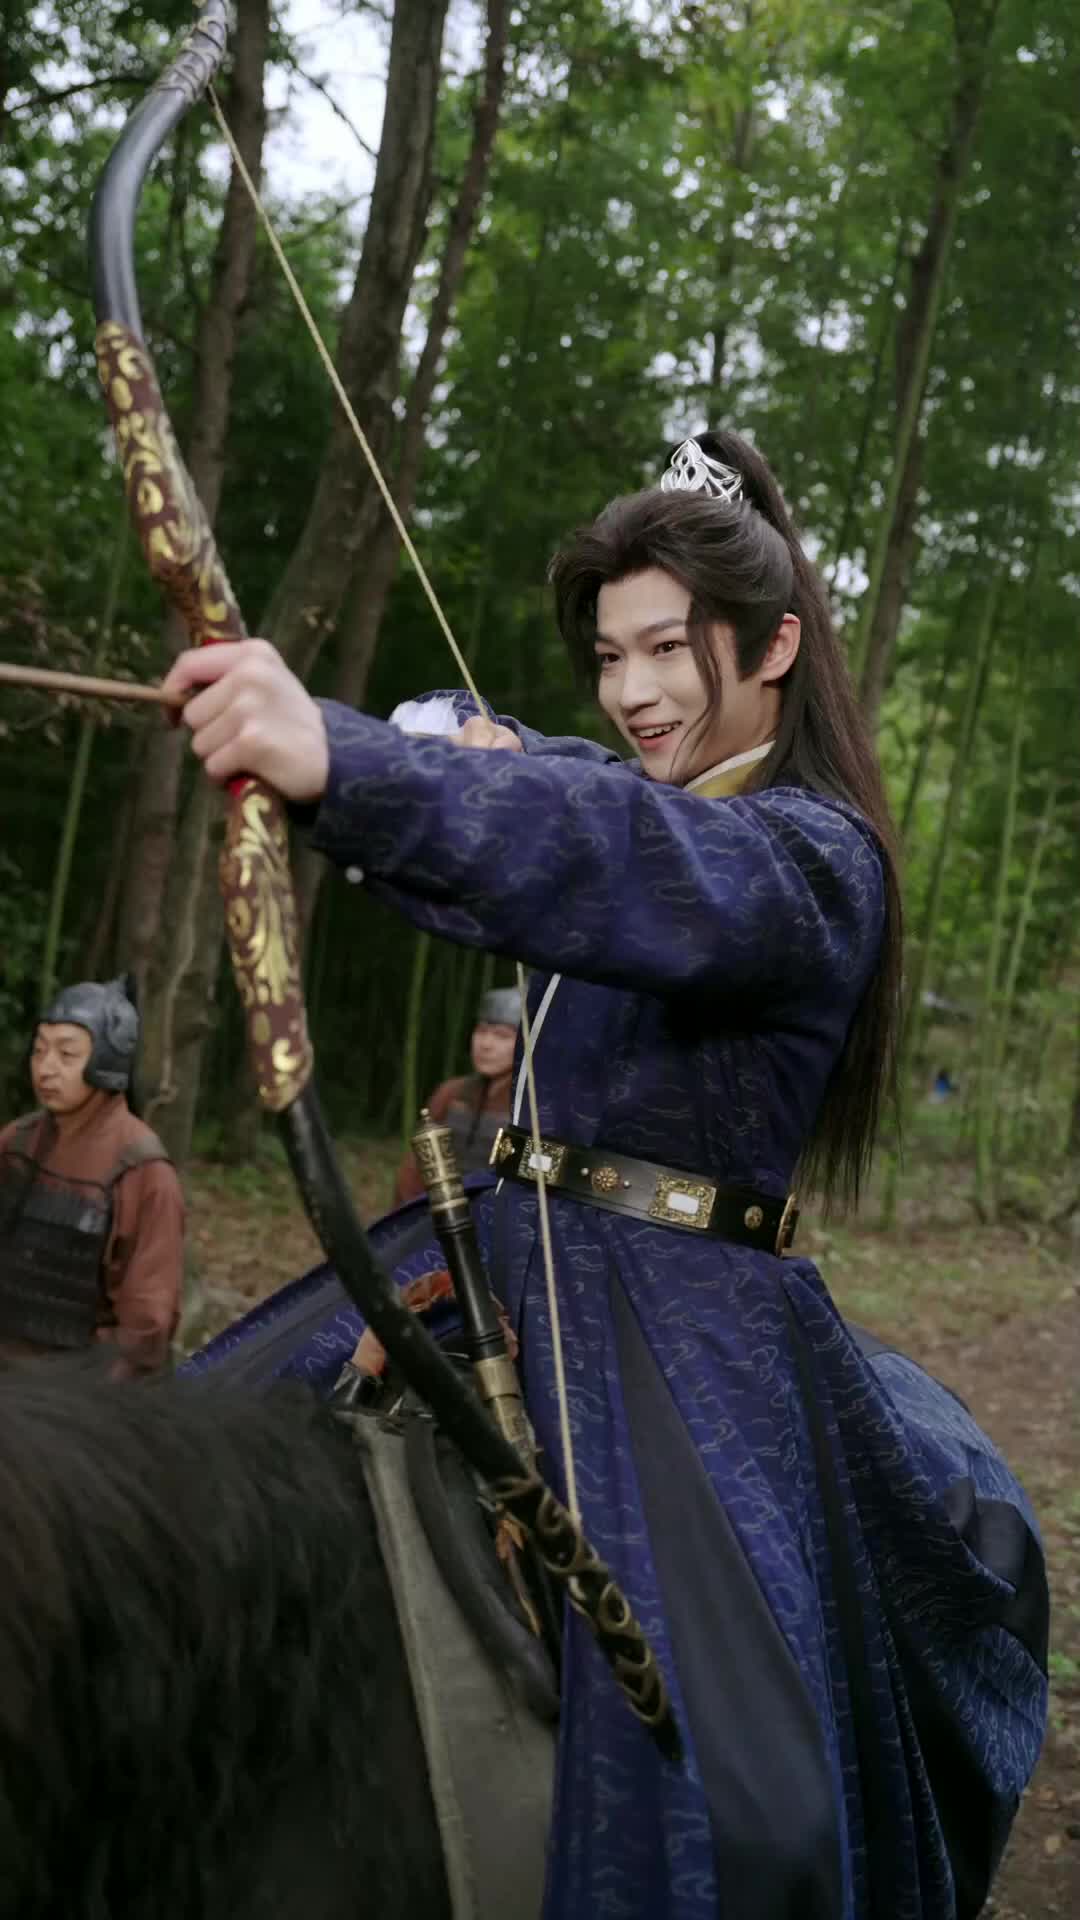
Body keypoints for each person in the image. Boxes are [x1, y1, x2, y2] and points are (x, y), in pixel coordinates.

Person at [164, 431, 1047, 1920]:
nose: (633, 692)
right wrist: (441, 742)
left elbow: (621, 853)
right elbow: (553, 785)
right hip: (490, 1253)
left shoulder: (812, 863)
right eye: (610, 655)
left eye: (669, 650)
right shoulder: (638, 788)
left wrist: (344, 758)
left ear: (774, 648)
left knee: (747, 1814)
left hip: (683, 1327)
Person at [0, 976, 184, 1376]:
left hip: (77, 1389)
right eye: (39, 1051)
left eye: (66, 1054)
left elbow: (144, 1330)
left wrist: (83, 1395)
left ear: (105, 1062)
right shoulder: (16, 1143)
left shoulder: (144, 1174)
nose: (45, 1068)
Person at [393, 986, 521, 1204]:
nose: (486, 1044)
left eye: (502, 1036)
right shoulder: (451, 1092)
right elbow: (414, 1169)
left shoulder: (531, 1108)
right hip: (437, 1213)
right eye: (481, 1031)